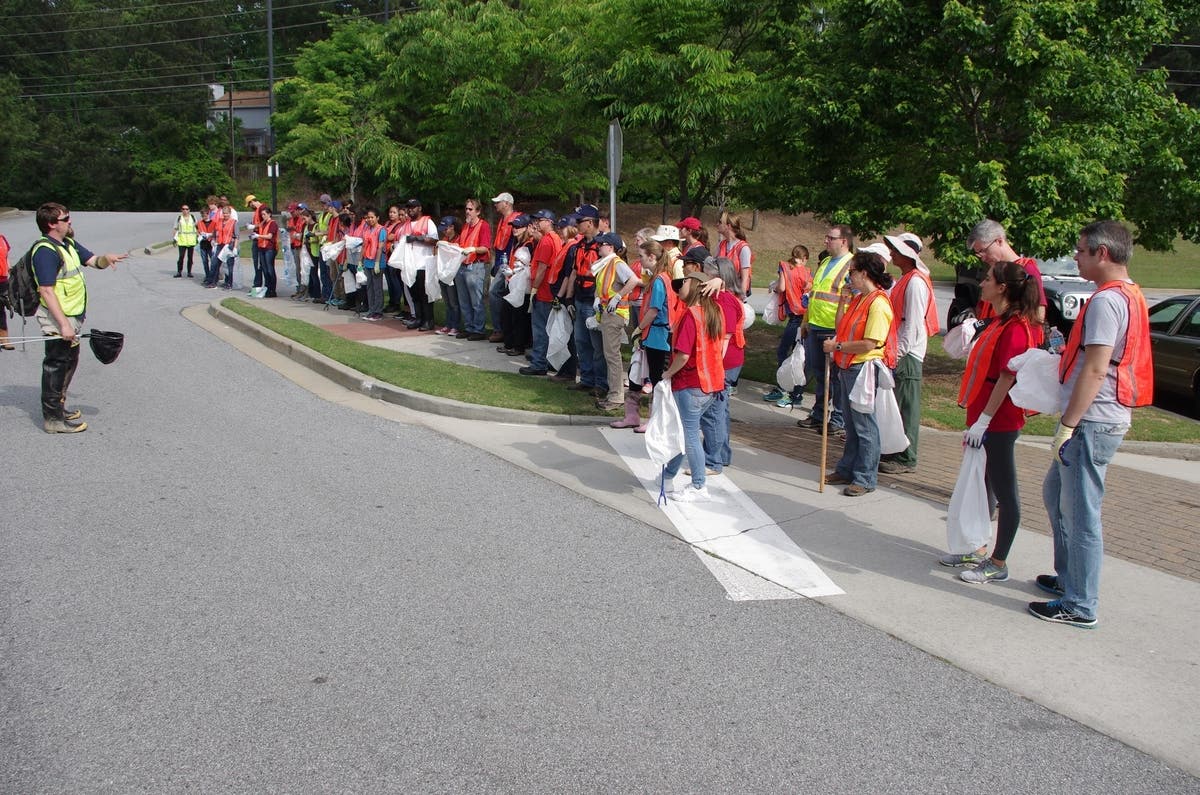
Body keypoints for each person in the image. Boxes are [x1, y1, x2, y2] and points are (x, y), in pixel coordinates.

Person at [1030, 221, 1153, 628]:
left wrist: (1068, 424)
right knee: (1056, 495)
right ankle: (1070, 579)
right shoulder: (1128, 295)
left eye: (1081, 251)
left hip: (1093, 421)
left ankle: (1080, 603)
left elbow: (1097, 369)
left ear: (1103, 254)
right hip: (1099, 419)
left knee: (1082, 513)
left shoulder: (1106, 301)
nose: (1076, 258)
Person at [942, 260, 1042, 581]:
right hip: (984, 419)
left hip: (999, 421)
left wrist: (984, 420)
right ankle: (977, 546)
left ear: (1002, 287)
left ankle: (998, 563)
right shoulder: (1000, 321)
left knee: (1004, 489)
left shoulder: (1015, 328)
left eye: (987, 279)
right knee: (983, 486)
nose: (982, 283)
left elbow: (1006, 378)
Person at [31, 203, 127, 433]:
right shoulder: (45, 251)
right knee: (56, 364)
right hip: (57, 318)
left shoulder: (68, 244)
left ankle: (59, 408)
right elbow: (46, 290)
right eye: (66, 219)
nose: (70, 221)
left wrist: (106, 258)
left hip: (72, 316)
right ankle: (53, 419)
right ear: (51, 224)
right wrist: (63, 324)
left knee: (69, 361)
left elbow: (93, 261)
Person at [821, 252, 896, 496]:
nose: (848, 277)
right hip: (847, 366)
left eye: (851, 272)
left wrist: (838, 347)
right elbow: (841, 326)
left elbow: (870, 343)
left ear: (864, 273)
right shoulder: (859, 298)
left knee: (865, 426)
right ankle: (847, 469)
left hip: (862, 368)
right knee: (851, 426)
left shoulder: (878, 303)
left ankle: (865, 477)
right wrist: (843, 301)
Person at [659, 271, 727, 503]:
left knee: (688, 435)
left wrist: (667, 373)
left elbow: (683, 355)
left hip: (691, 383)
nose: (680, 286)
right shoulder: (714, 311)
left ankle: (698, 485)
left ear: (698, 286)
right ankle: (668, 475)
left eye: (685, 281)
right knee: (684, 432)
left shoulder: (691, 315)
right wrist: (719, 281)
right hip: (712, 384)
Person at [879, 233, 937, 474]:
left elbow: (912, 324)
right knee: (900, 404)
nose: (891, 254)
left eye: (895, 250)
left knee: (907, 406)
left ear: (907, 254)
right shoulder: (907, 279)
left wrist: (898, 354)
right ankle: (896, 450)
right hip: (902, 351)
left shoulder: (915, 282)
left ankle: (906, 457)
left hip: (908, 354)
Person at [803, 225, 856, 431]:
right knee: (819, 373)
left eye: (831, 238)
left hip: (833, 327)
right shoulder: (825, 261)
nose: (826, 241)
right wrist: (806, 320)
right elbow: (815, 294)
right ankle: (818, 413)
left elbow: (851, 299)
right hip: (816, 324)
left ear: (843, 241)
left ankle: (838, 418)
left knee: (835, 376)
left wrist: (841, 332)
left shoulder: (851, 264)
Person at [624, 239, 677, 431]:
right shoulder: (663, 278)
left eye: (641, 256)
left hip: (658, 335)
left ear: (652, 257)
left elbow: (654, 309)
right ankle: (650, 419)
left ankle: (656, 420)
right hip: (658, 334)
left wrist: (639, 328)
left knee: (657, 379)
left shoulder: (659, 280)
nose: (640, 260)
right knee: (654, 378)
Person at [701, 256, 746, 472]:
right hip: (726, 361)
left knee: (713, 411)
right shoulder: (721, 297)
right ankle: (721, 454)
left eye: (707, 273)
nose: (704, 277)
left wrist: (714, 367)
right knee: (720, 409)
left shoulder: (725, 301)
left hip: (724, 362)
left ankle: (713, 460)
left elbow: (725, 339)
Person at [967, 219, 1047, 335]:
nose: (983, 258)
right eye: (979, 254)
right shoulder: (994, 271)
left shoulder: (1026, 269)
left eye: (984, 251)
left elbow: (1038, 314)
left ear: (999, 241)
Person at [591, 232, 640, 410]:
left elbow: (634, 280)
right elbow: (602, 287)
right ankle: (614, 394)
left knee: (612, 356)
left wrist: (618, 296)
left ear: (610, 247)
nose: (598, 247)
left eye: (601, 244)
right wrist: (598, 298)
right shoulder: (606, 264)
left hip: (615, 314)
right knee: (610, 355)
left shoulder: (616, 263)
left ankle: (616, 396)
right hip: (607, 313)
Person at [560, 204, 604, 396]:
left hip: (593, 300)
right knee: (581, 341)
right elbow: (574, 271)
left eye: (580, 221)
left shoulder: (603, 245)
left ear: (590, 223)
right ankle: (586, 379)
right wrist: (568, 298)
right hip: (579, 297)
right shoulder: (579, 246)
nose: (576, 224)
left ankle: (601, 383)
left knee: (597, 345)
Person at [763, 244, 812, 408]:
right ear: (805, 258)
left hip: (794, 317)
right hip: (805, 316)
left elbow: (782, 287)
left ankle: (789, 390)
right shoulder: (807, 271)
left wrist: (776, 288)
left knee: (784, 352)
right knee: (799, 354)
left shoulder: (785, 267)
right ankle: (791, 390)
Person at [521, 209, 563, 376]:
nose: (537, 223)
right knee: (549, 329)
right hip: (550, 290)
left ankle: (539, 363)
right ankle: (548, 360)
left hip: (544, 291)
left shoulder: (547, 241)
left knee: (540, 329)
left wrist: (534, 288)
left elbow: (541, 268)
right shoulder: (555, 239)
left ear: (549, 221)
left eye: (540, 220)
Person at [455, 197, 492, 340]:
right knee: (464, 300)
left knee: (476, 300)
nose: (467, 211)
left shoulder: (483, 226)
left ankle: (478, 329)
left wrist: (473, 249)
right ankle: (469, 327)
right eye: (466, 209)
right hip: (463, 265)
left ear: (478, 211)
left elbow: (485, 247)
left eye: (470, 209)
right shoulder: (466, 226)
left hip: (476, 266)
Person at [488, 191, 519, 342]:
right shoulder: (502, 220)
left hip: (509, 264)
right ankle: (503, 330)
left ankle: (500, 329)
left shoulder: (516, 219)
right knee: (499, 295)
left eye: (498, 202)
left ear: (507, 203)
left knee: (494, 293)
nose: (496, 205)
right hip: (501, 262)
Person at [435, 215, 463, 335]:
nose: (444, 231)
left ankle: (455, 326)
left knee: (453, 302)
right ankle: (448, 324)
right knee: (447, 302)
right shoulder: (445, 239)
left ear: (452, 227)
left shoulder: (459, 239)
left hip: (452, 274)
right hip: (443, 273)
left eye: (446, 228)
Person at [716, 211, 753, 296]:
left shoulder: (743, 248)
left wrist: (741, 298)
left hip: (735, 294)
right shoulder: (721, 245)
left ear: (728, 226)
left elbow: (745, 278)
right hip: (721, 292)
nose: (717, 224)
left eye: (720, 222)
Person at [251, 207, 280, 297]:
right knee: (264, 269)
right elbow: (258, 228)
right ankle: (267, 288)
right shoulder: (263, 223)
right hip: (262, 247)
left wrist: (258, 235)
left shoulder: (273, 223)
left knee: (270, 269)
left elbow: (270, 236)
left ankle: (272, 290)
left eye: (264, 214)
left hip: (269, 248)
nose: (263, 216)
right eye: (262, 214)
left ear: (269, 214)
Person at [172, 204, 197, 278]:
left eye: (186, 209)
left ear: (189, 210)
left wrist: (198, 238)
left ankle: (189, 272)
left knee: (190, 258)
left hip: (191, 241)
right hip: (182, 240)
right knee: (181, 257)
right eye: (183, 209)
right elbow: (175, 228)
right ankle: (179, 272)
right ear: (181, 210)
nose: (185, 210)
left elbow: (197, 227)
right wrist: (174, 239)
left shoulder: (193, 217)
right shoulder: (179, 218)